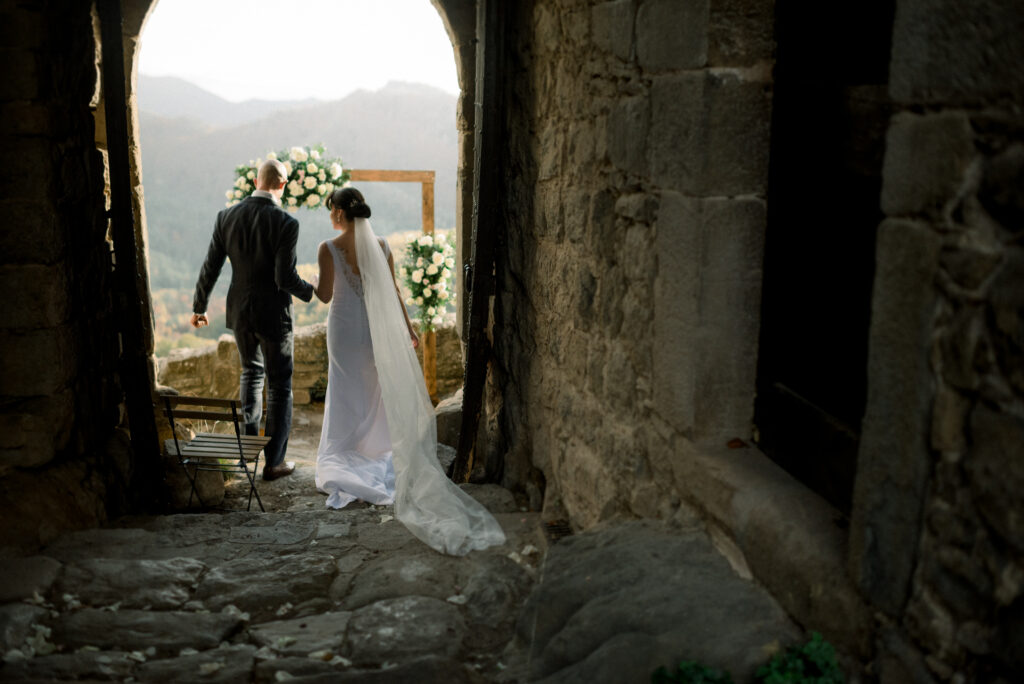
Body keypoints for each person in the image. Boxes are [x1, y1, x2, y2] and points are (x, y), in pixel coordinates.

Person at [313, 187, 505, 555]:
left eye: (330, 210)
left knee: (345, 390)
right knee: (374, 391)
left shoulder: (328, 248)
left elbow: (324, 295)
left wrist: (300, 283)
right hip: (373, 332)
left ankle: (347, 449)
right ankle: (373, 449)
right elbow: (394, 292)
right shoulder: (382, 246)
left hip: (343, 331)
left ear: (338, 212)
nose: (330, 216)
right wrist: (409, 329)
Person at [190, 158, 316, 481]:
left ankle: (247, 454)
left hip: (240, 312)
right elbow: (284, 277)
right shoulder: (286, 223)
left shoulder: (226, 217)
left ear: (256, 180)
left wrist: (199, 306)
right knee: (280, 385)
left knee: (251, 373)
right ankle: (274, 463)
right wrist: (309, 291)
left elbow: (211, 265)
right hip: (274, 315)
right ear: (283, 184)